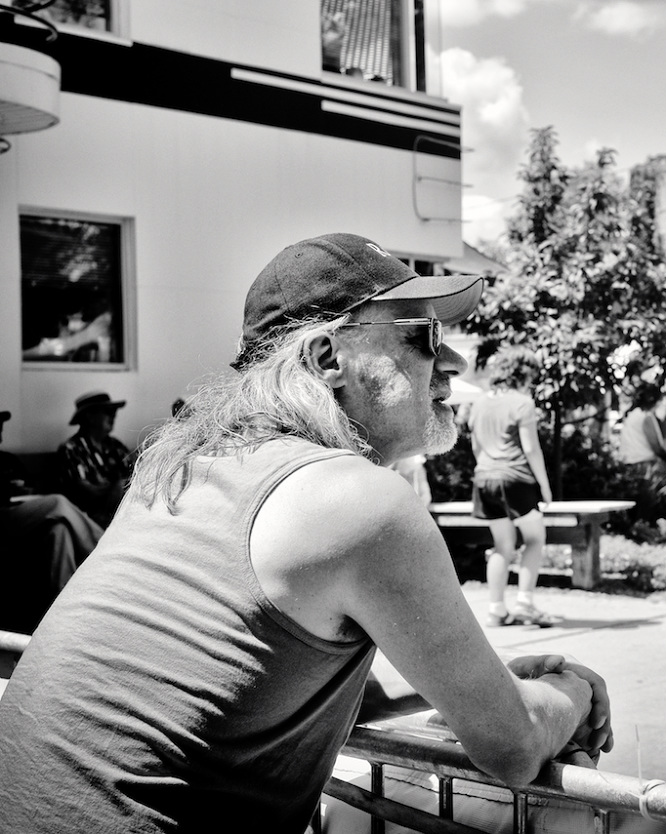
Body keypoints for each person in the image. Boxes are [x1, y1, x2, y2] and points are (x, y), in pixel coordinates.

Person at [0, 232, 611, 832]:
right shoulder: (356, 500)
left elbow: (260, 691)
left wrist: (481, 688)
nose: (453, 361)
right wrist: (570, 692)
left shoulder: (180, 472)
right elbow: (513, 747)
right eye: (425, 336)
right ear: (327, 359)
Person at [460, 347, 558, 628]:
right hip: (515, 479)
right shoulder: (522, 402)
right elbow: (531, 448)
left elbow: (477, 447)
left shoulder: (478, 403)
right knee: (535, 539)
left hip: (484, 479)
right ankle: (525, 604)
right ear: (523, 374)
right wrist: (544, 486)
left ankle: (497, 611)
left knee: (502, 545)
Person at [1, 409, 103, 633]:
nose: (0, 430)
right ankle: (104, 553)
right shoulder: (71, 449)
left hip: (25, 515)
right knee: (58, 502)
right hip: (3, 519)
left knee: (60, 530)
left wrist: (25, 490)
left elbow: (32, 487)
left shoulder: (7, 460)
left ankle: (67, 612)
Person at [56, 390, 134, 527]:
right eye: (108, 411)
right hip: (88, 519)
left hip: (125, 513)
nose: (114, 416)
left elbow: (135, 476)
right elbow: (84, 494)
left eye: (114, 412)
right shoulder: (71, 449)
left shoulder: (116, 446)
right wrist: (118, 488)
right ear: (90, 416)